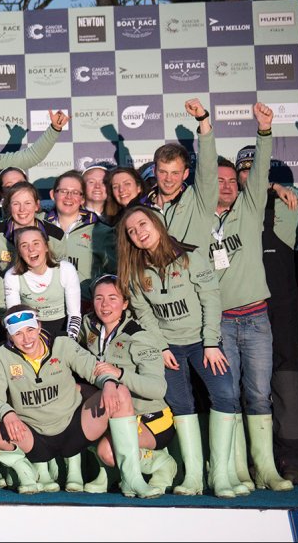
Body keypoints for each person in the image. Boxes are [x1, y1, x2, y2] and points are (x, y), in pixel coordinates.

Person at [116, 206, 236, 498]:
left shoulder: (190, 257)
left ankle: (219, 475)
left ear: (157, 223)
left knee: (225, 393)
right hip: (169, 348)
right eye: (131, 231)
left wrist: (211, 342)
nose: (138, 233)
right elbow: (144, 314)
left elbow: (210, 300)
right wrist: (161, 346)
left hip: (202, 343)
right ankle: (194, 477)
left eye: (142, 224)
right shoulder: (134, 270)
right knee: (181, 404)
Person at [0, 306, 160, 498]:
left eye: (30, 330)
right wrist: (7, 413)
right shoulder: (0, 356)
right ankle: (25, 470)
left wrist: (108, 382)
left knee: (119, 391)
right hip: (33, 436)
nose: (26, 339)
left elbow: (93, 368)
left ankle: (132, 478)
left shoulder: (62, 344)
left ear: (39, 326)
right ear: (9, 335)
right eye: (18, 334)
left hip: (75, 428)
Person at [205, 103, 292, 494]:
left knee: (258, 394)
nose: (225, 185)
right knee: (228, 395)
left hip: (257, 319)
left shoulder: (251, 207)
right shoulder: (196, 218)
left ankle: (266, 469)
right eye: (217, 180)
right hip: (218, 322)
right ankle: (236, 469)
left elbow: (259, 175)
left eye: (229, 180)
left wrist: (264, 130)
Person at [78, 275, 175, 495]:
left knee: (108, 452)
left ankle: (161, 462)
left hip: (151, 418)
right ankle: (110, 474)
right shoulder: (89, 326)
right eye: (99, 298)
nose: (105, 305)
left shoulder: (139, 336)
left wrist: (119, 373)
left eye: (113, 298)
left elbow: (157, 388)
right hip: (112, 414)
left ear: (125, 303)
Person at [136, 99, 218, 248]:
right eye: (163, 172)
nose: (168, 179)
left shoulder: (198, 199)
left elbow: (208, 166)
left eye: (175, 173)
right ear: (154, 171)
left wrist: (203, 119)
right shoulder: (140, 208)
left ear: (185, 174)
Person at [43, 170, 114, 302]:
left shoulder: (101, 231)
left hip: (85, 306)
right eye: (63, 191)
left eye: (75, 192)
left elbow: (113, 275)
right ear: (53, 194)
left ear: (82, 199)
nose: (69, 196)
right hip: (47, 306)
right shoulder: (39, 226)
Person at [3, 227, 81, 339]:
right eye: (24, 246)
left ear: (46, 247)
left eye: (36, 243)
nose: (31, 249)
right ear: (19, 252)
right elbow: (15, 318)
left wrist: (69, 341)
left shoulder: (66, 270)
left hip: (63, 328)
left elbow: (74, 315)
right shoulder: (12, 276)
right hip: (30, 330)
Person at [0, 181, 65, 272]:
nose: (22, 209)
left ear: (37, 205)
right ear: (9, 206)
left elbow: (62, 271)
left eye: (27, 203)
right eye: (16, 204)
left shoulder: (55, 235)